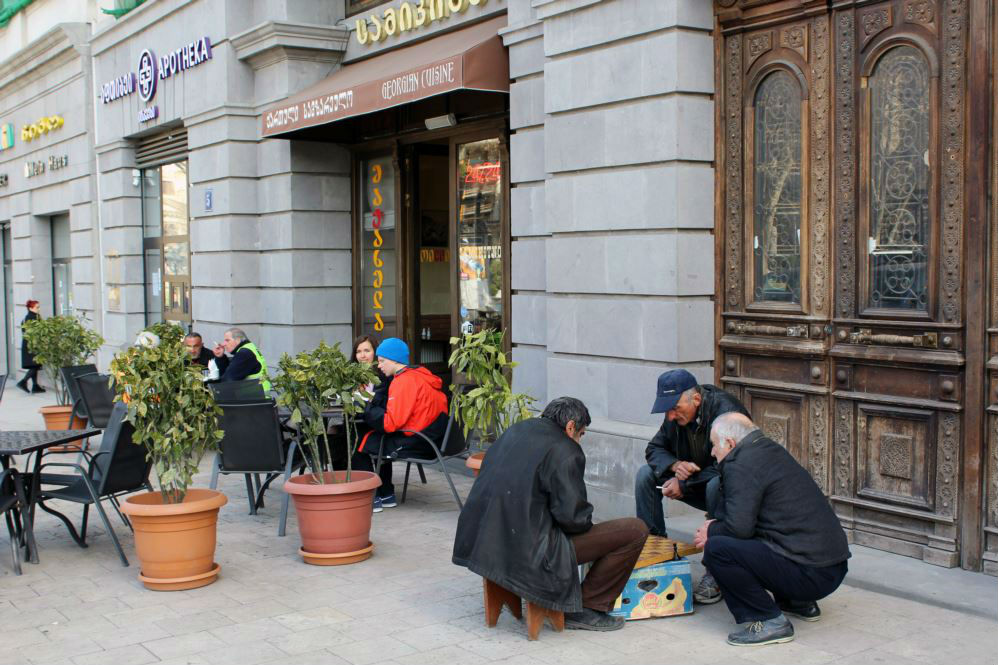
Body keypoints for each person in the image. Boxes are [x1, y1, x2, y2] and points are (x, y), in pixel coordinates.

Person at [453, 397, 649, 632]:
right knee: (634, 530)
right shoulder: (565, 450)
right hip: (531, 552)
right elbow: (574, 520)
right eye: (581, 434)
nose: (580, 440)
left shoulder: (516, 431)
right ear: (570, 427)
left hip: (483, 540)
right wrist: (586, 518)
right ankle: (587, 608)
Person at [696, 413, 850, 646]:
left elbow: (738, 528)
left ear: (730, 443)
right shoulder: (767, 449)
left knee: (718, 549)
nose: (711, 452)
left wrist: (711, 531)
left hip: (811, 573)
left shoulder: (741, 463)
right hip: (831, 569)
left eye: (713, 445)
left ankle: (768, 621)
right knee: (759, 534)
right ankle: (796, 602)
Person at [634, 369, 748, 604]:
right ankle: (656, 550)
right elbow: (653, 449)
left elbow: (733, 466)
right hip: (694, 482)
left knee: (716, 484)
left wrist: (684, 483)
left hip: (728, 490)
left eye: (675, 408)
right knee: (645, 475)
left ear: (696, 399)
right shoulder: (675, 415)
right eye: (667, 409)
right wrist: (675, 465)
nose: (671, 416)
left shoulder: (727, 413)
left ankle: (715, 570)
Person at [352, 337, 451, 512]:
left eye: (382, 361)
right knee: (373, 438)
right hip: (433, 438)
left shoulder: (403, 381)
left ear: (394, 359)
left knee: (359, 441)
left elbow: (390, 424)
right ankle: (387, 494)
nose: (379, 366)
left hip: (419, 443)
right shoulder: (420, 374)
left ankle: (371, 498)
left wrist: (365, 408)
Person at [211, 327, 271, 391]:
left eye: (227, 340)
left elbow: (227, 380)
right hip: (257, 396)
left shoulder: (244, 354)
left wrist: (213, 391)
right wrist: (220, 357)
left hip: (253, 398)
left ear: (238, 340)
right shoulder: (248, 348)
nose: (223, 344)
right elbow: (229, 373)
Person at [16, 300, 45, 393]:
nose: (39, 309)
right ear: (30, 308)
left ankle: (35, 386)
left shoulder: (26, 318)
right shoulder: (34, 318)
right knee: (35, 365)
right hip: (33, 344)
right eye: (37, 307)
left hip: (27, 344)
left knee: (34, 365)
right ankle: (23, 382)